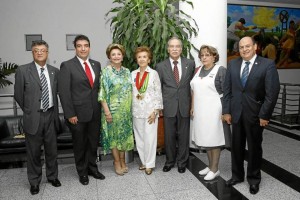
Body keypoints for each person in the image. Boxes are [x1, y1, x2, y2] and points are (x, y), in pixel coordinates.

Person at [223, 36, 280, 194]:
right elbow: (227, 90)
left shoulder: (267, 65)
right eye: (241, 47)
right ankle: (237, 176)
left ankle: (254, 180)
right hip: (236, 113)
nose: (244, 49)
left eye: (248, 46)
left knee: (254, 148)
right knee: (236, 147)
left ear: (255, 47)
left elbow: (272, 93)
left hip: (256, 115)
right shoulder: (233, 64)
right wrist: (226, 111)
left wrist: (265, 115)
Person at [14, 40, 61, 195]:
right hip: (33, 117)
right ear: (32, 53)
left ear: (47, 53)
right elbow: (18, 95)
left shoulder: (55, 71)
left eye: (42, 50)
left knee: (52, 150)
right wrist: (30, 110)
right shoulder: (22, 70)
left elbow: (57, 93)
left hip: (51, 115)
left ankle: (53, 177)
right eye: (36, 50)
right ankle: (34, 182)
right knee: (33, 152)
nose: (39, 52)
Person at [58, 35, 105, 185]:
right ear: (75, 48)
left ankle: (92, 168)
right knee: (80, 144)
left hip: (95, 112)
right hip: (77, 114)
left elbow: (97, 89)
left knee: (92, 143)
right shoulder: (67, 65)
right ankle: (82, 172)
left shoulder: (96, 64)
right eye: (79, 46)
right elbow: (64, 92)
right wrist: (70, 113)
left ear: (89, 47)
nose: (83, 48)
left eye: (86, 45)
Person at [190, 45, 231, 181]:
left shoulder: (220, 70)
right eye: (202, 55)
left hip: (215, 110)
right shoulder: (198, 70)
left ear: (214, 56)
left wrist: (226, 112)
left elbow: (227, 93)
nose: (204, 57)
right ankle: (210, 166)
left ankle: (215, 169)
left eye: (207, 55)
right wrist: (192, 106)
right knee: (206, 139)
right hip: (200, 110)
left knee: (214, 139)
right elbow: (194, 91)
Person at [156, 36, 195, 173]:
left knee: (184, 135)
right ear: (168, 49)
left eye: (177, 46)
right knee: (169, 136)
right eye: (172, 46)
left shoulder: (190, 63)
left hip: (185, 105)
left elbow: (192, 86)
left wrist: (192, 106)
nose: (174, 49)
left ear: (181, 48)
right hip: (168, 106)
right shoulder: (160, 66)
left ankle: (182, 162)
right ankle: (169, 161)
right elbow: (158, 88)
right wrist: (159, 107)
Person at [98, 44, 134, 176]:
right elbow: (101, 94)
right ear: (109, 57)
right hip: (111, 111)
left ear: (122, 56)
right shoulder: (106, 72)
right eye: (113, 54)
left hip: (125, 112)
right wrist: (107, 112)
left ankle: (123, 161)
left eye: (119, 54)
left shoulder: (127, 72)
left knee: (123, 137)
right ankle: (117, 162)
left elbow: (131, 91)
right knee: (113, 138)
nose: (116, 56)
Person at [131, 46, 163, 175]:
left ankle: (150, 164)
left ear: (149, 60)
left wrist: (155, 110)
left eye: (144, 57)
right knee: (139, 138)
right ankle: (144, 162)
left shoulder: (153, 73)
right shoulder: (133, 74)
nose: (142, 59)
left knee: (150, 138)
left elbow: (158, 93)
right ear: (136, 59)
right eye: (139, 57)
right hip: (136, 111)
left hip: (150, 111)